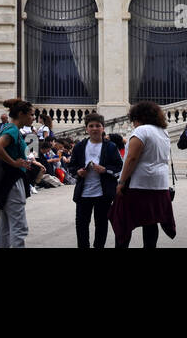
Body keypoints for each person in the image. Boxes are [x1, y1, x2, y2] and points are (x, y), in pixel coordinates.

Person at [110, 101, 176, 248]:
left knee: (124, 222)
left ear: (137, 117)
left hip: (138, 184)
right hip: (159, 184)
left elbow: (132, 158)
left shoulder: (141, 131)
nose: (133, 124)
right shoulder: (163, 132)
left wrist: (121, 182)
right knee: (151, 221)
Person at [0, 99, 46, 248]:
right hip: (12, 182)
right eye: (31, 114)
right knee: (18, 226)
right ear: (21, 114)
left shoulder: (8, 128)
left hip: (5, 181)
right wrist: (14, 162)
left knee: (5, 226)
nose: (33, 118)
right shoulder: (13, 130)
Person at [69, 113, 123, 248]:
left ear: (103, 127)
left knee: (101, 224)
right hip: (83, 192)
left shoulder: (110, 146)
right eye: (91, 126)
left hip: (103, 193)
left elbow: (118, 166)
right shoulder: (80, 146)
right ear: (86, 128)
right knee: (81, 224)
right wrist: (78, 172)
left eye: (97, 126)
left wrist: (104, 169)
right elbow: (71, 166)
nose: (94, 129)